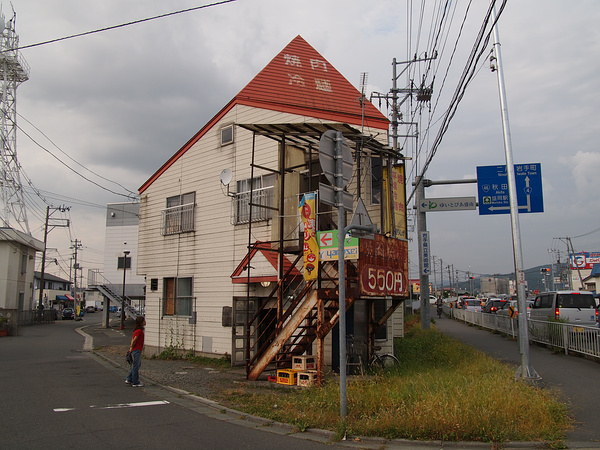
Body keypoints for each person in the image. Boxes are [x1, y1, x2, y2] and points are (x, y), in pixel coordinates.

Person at [126, 316, 146, 387]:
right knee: (136, 366)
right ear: (141, 322)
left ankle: (129, 378)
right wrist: (131, 347)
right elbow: (134, 340)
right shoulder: (139, 331)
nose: (145, 322)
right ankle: (135, 382)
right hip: (137, 349)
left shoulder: (136, 330)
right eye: (144, 321)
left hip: (136, 349)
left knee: (136, 365)